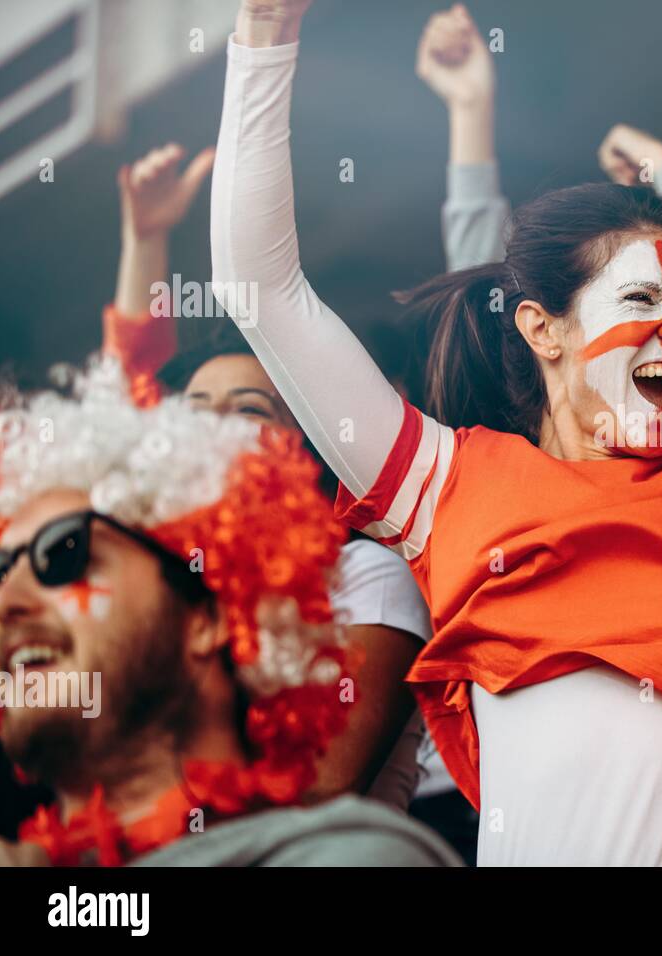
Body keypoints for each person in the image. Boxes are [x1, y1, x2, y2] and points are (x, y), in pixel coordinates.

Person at [212, 0, 662, 866]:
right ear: (542, 329)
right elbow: (258, 286)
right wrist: (264, 32)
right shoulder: (448, 486)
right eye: (640, 301)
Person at [0, 363, 458, 866]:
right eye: (0, 570)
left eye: (61, 552)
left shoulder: (352, 858)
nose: (7, 602)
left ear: (210, 614)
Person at [102, 140, 438, 813]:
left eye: (249, 410)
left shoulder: (369, 575)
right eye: (195, 412)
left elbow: (325, 783)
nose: (217, 427)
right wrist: (145, 239)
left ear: (308, 451)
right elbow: (119, 421)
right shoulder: (160, 576)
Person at [417, 3, 662, 427]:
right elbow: (487, 301)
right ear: (544, 331)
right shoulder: (536, 454)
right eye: (635, 299)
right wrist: (469, 110)